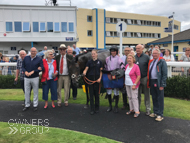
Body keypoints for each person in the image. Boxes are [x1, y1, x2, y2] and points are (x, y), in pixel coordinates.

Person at [147, 48, 167, 122]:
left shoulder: (162, 62)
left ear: (159, 54)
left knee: (160, 98)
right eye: (153, 53)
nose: (154, 55)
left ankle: (160, 114)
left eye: (156, 53)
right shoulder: (152, 61)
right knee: (154, 97)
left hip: (158, 82)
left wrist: (162, 84)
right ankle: (155, 112)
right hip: (152, 81)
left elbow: (164, 74)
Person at [22, 47, 44, 112]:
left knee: (35, 92)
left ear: (36, 52)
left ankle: (35, 105)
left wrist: (34, 71)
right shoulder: (26, 58)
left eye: (34, 51)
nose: (33, 52)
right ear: (30, 52)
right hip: (27, 77)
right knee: (27, 92)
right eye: (32, 51)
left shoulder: (39, 59)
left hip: (35, 77)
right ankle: (27, 105)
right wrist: (25, 71)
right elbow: (23, 67)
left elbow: (42, 68)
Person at [105, 46, 125, 113]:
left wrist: (119, 72)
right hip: (109, 76)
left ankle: (116, 106)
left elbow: (123, 66)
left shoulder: (119, 59)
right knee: (109, 92)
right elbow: (106, 66)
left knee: (116, 92)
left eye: (114, 51)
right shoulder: (107, 58)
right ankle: (110, 106)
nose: (113, 52)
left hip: (116, 76)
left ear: (116, 52)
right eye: (112, 51)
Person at [83, 49, 103, 115]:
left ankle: (97, 108)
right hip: (90, 79)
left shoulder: (100, 62)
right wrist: (84, 72)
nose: (93, 55)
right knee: (91, 95)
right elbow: (86, 68)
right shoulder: (89, 62)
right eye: (92, 54)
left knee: (96, 95)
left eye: (94, 54)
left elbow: (101, 71)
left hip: (97, 79)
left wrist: (100, 78)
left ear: (97, 54)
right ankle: (92, 109)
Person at [135, 44, 151, 115]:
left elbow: (150, 68)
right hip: (136, 79)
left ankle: (148, 109)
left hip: (145, 78)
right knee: (137, 95)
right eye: (136, 48)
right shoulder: (134, 57)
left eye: (139, 48)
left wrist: (148, 77)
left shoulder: (146, 57)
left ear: (142, 49)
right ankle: (137, 109)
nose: (137, 50)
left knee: (146, 95)